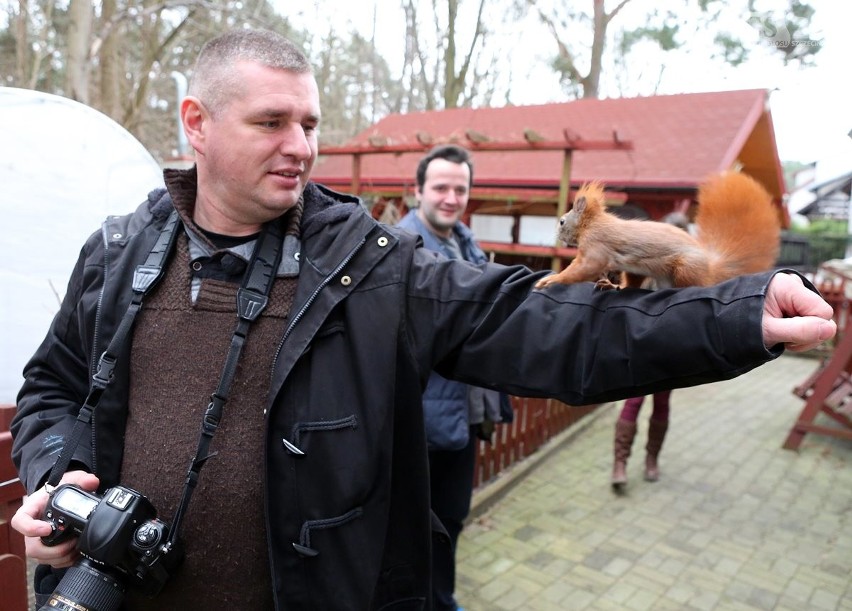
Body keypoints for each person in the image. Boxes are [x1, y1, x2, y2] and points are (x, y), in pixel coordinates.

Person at [8, 27, 836, 611]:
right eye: (271, 122)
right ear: (196, 122)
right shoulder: (120, 253)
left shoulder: (369, 265)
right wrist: (56, 484)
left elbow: (555, 330)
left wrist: (736, 312)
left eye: (309, 123)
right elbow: (50, 387)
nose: (300, 145)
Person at [397, 144, 510, 611]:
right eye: (441, 187)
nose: (451, 197)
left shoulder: (465, 242)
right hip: (420, 420)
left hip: (460, 415)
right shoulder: (402, 250)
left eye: (460, 188)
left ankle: (441, 599)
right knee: (416, 527)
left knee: (453, 517)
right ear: (418, 190)